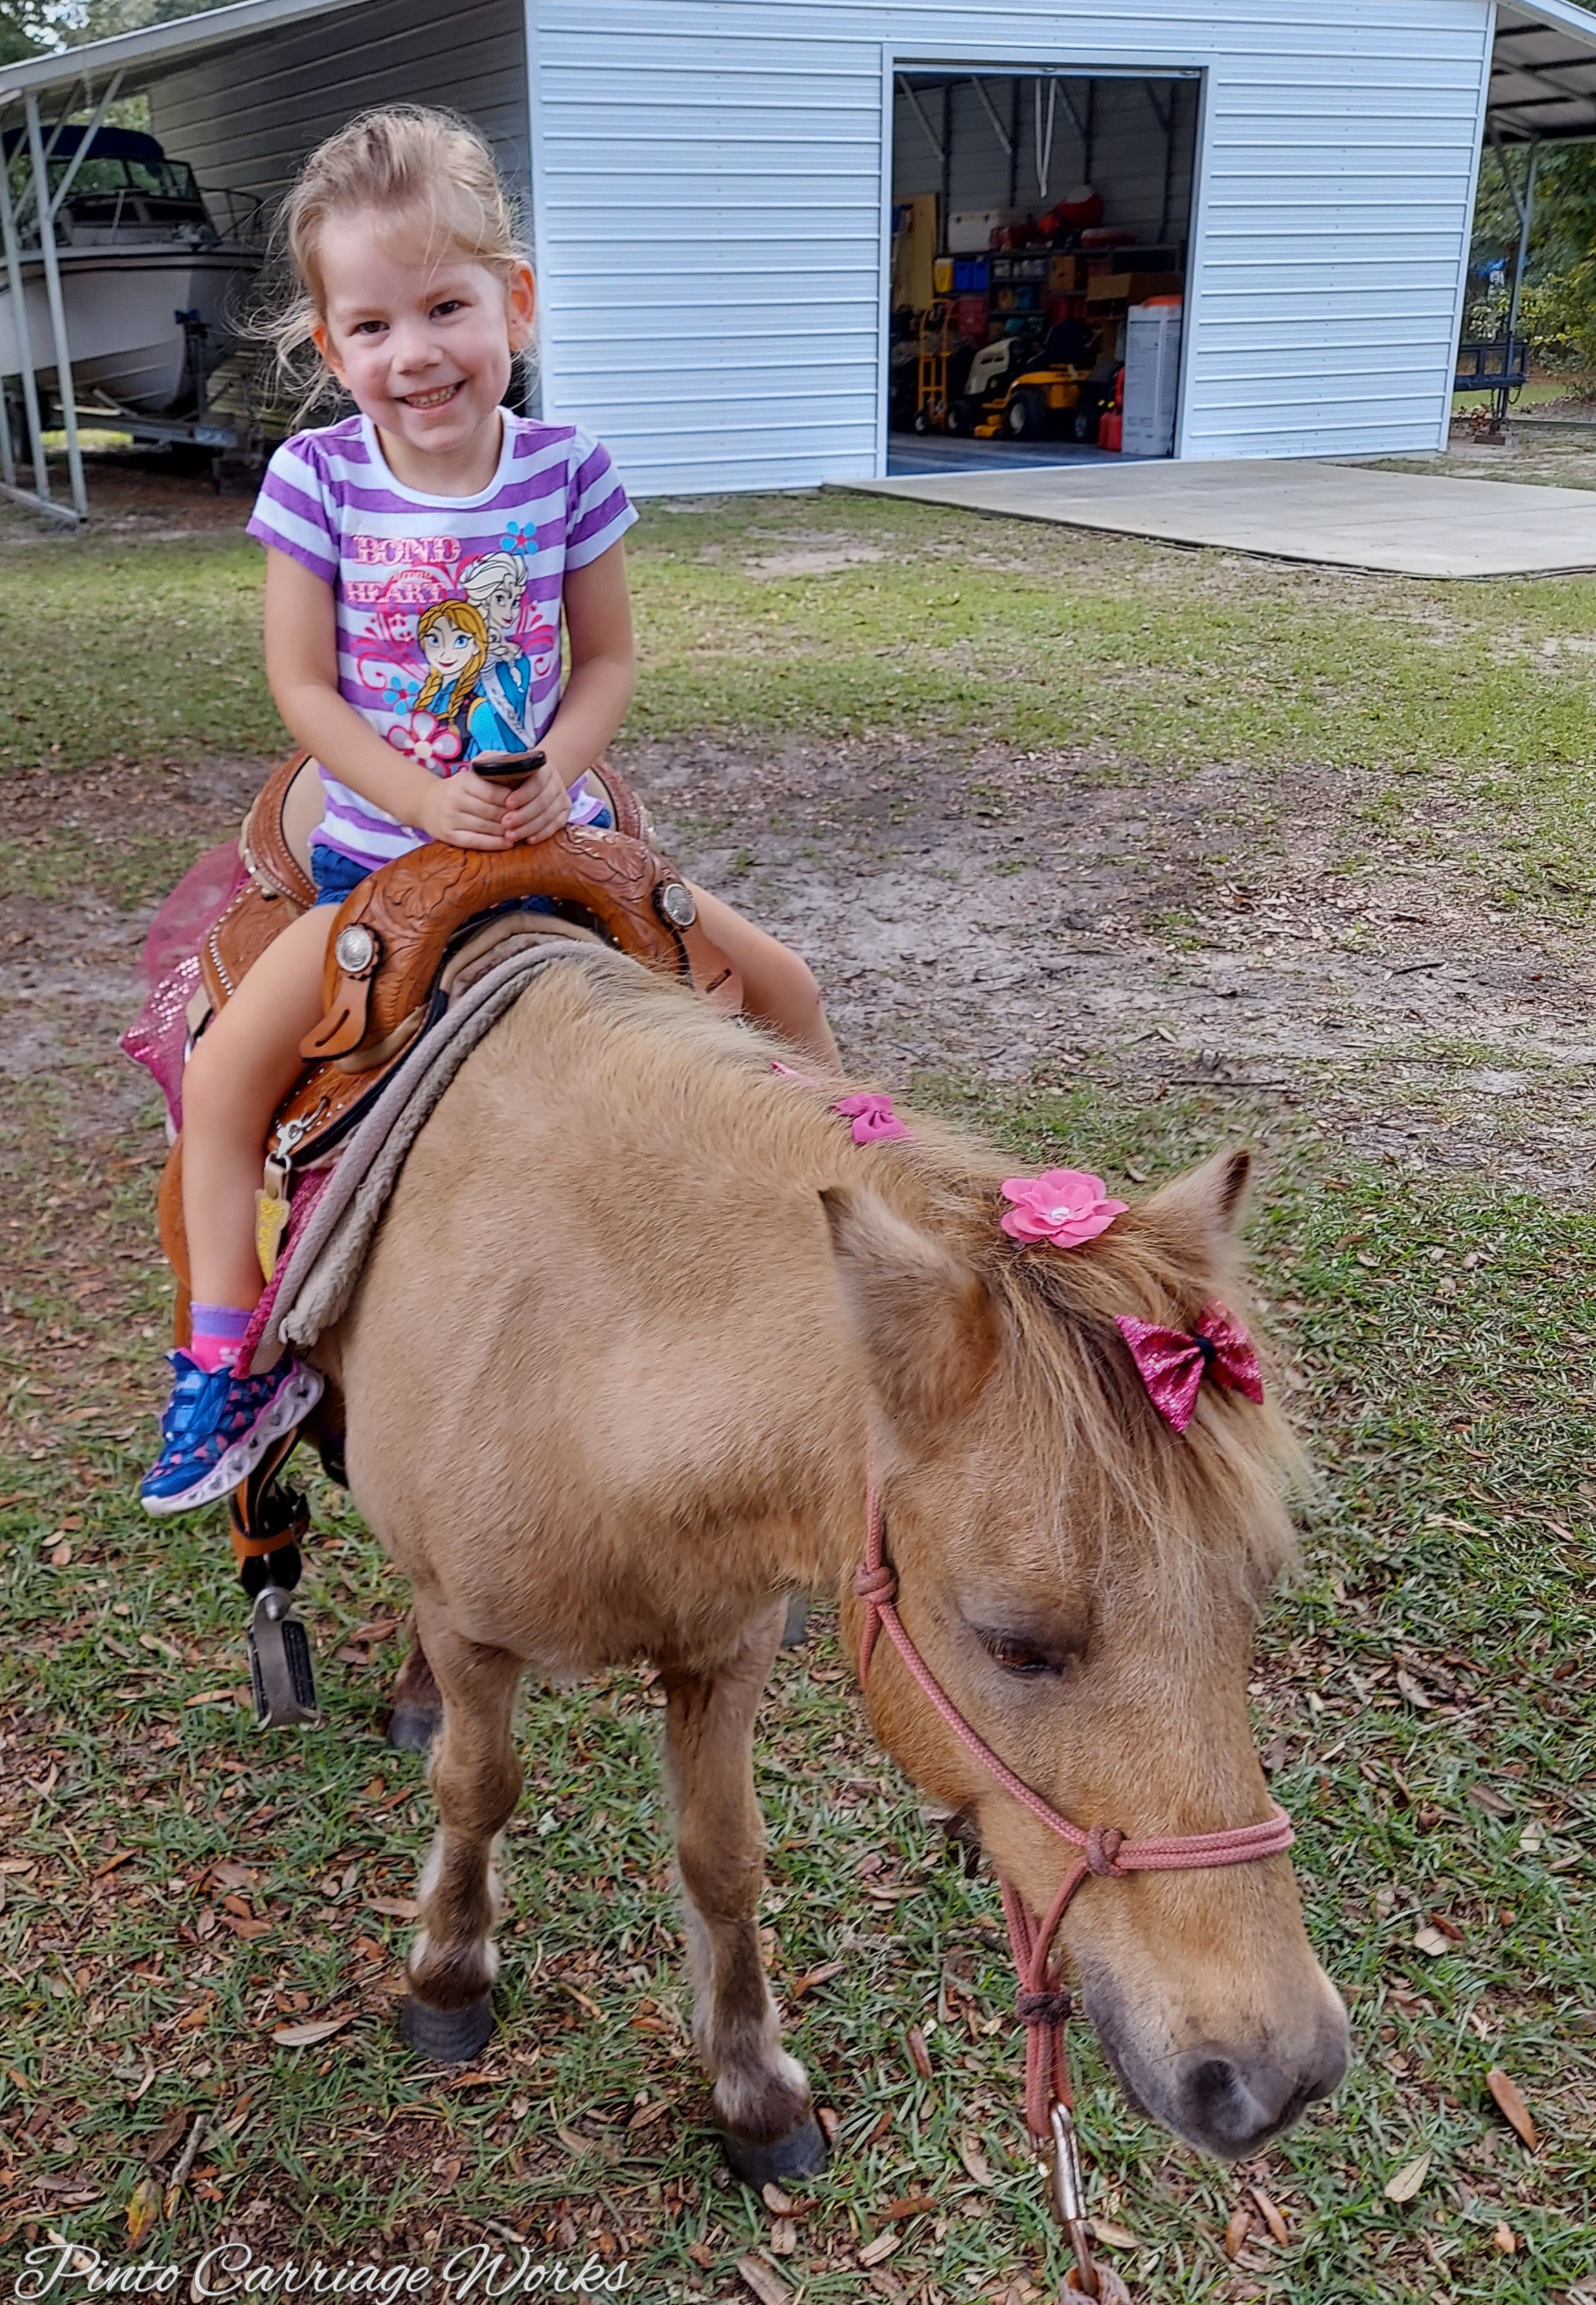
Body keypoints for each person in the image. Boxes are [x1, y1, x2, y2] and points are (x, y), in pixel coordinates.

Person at [142, 104, 838, 1516]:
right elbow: (304, 688)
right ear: (332, 347)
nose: (417, 354)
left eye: (447, 307)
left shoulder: (567, 470)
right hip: (381, 862)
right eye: (376, 324)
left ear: (511, 303)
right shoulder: (316, 481)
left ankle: (839, 1226)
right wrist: (424, 803)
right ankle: (227, 1355)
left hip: (559, 843)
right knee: (222, 1088)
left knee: (786, 988)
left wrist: (553, 782)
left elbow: (609, 660)